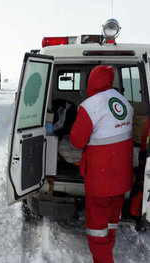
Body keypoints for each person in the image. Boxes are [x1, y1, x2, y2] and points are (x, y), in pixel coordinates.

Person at [70, 65, 134, 263]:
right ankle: (108, 253)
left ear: (91, 82)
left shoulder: (90, 106)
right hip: (121, 180)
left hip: (101, 182)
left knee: (97, 232)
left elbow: (76, 140)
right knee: (110, 224)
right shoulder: (124, 102)